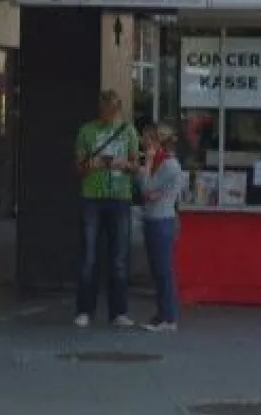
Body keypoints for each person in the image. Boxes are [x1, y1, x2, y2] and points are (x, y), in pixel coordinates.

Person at [73, 90, 140, 329]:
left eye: (113, 111)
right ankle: (84, 309)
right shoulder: (86, 131)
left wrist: (126, 164)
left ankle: (118, 311)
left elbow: (136, 166)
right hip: (92, 196)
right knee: (89, 257)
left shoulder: (129, 131)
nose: (109, 115)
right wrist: (91, 165)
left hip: (120, 196)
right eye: (105, 111)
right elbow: (78, 167)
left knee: (119, 257)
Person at [137, 122, 185, 332]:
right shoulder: (161, 163)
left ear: (157, 142)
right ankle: (162, 314)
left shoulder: (168, 165)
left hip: (161, 220)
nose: (144, 143)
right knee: (158, 270)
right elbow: (149, 192)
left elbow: (147, 188)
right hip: (154, 218)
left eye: (147, 140)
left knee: (164, 270)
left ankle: (168, 317)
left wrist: (145, 165)